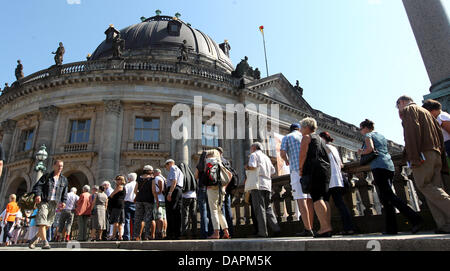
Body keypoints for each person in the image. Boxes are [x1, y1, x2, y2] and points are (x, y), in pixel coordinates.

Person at [358, 119, 423, 235]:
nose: (360, 131)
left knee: (389, 196)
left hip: (378, 167)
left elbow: (370, 149)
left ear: (365, 128)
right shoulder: (381, 136)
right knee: (385, 198)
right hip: (389, 166)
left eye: (361, 129)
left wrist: (361, 152)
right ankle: (391, 228)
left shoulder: (368, 135)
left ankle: (415, 218)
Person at [397, 95, 450, 234]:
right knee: (434, 188)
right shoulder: (428, 113)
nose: (398, 110)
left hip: (422, 154)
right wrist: (441, 158)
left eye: (398, 107)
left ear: (402, 102)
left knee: (424, 185)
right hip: (436, 153)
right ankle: (445, 225)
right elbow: (439, 134)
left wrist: (413, 156)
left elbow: (411, 132)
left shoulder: (409, 110)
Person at [298, 117, 332, 238]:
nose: (300, 130)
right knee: (324, 198)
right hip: (325, 170)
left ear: (307, 127)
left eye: (301, 127)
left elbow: (302, 155)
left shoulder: (307, 137)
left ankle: (324, 227)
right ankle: (327, 226)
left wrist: (300, 170)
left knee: (317, 198)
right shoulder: (321, 139)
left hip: (314, 170)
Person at [280, 123, 315, 237]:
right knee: (309, 200)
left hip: (296, 170)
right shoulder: (306, 137)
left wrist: (286, 160)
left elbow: (282, 153)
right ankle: (311, 227)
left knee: (301, 199)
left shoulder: (287, 137)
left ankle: (307, 229)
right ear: (299, 129)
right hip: (309, 171)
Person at [320, 131, 355, 235]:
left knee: (323, 203)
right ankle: (348, 227)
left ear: (323, 139)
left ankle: (326, 228)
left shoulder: (326, 148)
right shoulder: (334, 148)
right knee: (340, 204)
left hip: (330, 181)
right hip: (337, 180)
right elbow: (341, 164)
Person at [29, 160, 68, 249]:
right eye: (58, 166)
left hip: (54, 204)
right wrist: (38, 195)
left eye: (61, 166)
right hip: (44, 201)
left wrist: (64, 202)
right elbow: (38, 186)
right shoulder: (47, 176)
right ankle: (45, 242)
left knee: (47, 225)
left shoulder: (64, 179)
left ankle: (34, 239)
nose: (60, 168)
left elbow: (65, 192)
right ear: (54, 166)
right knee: (42, 222)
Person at [246, 142, 281, 238]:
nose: (250, 149)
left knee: (259, 209)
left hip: (258, 184)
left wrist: (247, 167)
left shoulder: (253, 155)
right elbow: (273, 171)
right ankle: (276, 229)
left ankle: (262, 232)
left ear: (254, 147)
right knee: (268, 208)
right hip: (268, 185)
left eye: (251, 147)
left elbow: (252, 166)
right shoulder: (266, 157)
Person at [205, 149, 231, 239]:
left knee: (214, 211)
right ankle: (226, 231)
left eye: (208, 155)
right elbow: (230, 175)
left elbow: (206, 174)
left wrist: (207, 184)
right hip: (221, 190)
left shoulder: (209, 162)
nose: (206, 157)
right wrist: (224, 187)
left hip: (212, 189)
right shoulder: (220, 163)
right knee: (220, 211)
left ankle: (216, 233)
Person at [194, 151, 214, 239]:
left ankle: (204, 233)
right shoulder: (211, 164)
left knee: (203, 212)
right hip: (210, 189)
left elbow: (196, 177)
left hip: (202, 188)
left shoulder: (200, 165)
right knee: (211, 212)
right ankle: (211, 232)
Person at [217, 147, 235, 238]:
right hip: (228, 190)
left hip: (222, 189)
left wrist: (224, 187)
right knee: (228, 210)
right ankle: (231, 231)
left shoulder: (219, 161)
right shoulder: (227, 161)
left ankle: (223, 232)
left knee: (221, 210)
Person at [133, 165, 155, 241]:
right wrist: (157, 200)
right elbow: (153, 191)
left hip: (139, 200)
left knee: (137, 218)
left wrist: (139, 195)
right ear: (150, 171)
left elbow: (135, 191)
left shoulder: (139, 178)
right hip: (149, 200)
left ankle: (136, 236)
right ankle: (146, 236)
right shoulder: (152, 179)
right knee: (148, 218)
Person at [164, 159, 184, 240]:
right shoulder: (179, 170)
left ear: (169, 164)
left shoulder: (173, 168)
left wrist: (170, 193)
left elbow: (174, 180)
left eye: (166, 166)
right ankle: (177, 233)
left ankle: (171, 233)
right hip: (178, 190)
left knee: (171, 212)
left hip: (174, 190)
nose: (166, 168)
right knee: (176, 212)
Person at [108, 176, 126, 240]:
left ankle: (113, 235)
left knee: (116, 221)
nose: (116, 181)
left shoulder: (119, 187)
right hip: (120, 205)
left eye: (118, 179)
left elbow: (111, 195)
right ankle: (120, 236)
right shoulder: (121, 187)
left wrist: (109, 198)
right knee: (120, 222)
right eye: (116, 179)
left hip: (117, 205)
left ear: (121, 180)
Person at [152, 169, 167, 239]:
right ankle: (164, 232)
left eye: (153, 173)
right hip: (163, 199)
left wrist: (160, 190)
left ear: (156, 173)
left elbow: (160, 183)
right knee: (164, 217)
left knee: (158, 217)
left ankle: (159, 232)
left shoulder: (157, 178)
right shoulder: (163, 178)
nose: (153, 174)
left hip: (158, 200)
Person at [123, 173, 137, 241]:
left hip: (127, 203)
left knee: (127, 220)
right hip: (136, 203)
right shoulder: (137, 185)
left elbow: (125, 195)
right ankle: (134, 236)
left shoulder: (127, 185)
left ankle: (127, 236)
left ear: (129, 178)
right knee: (135, 220)